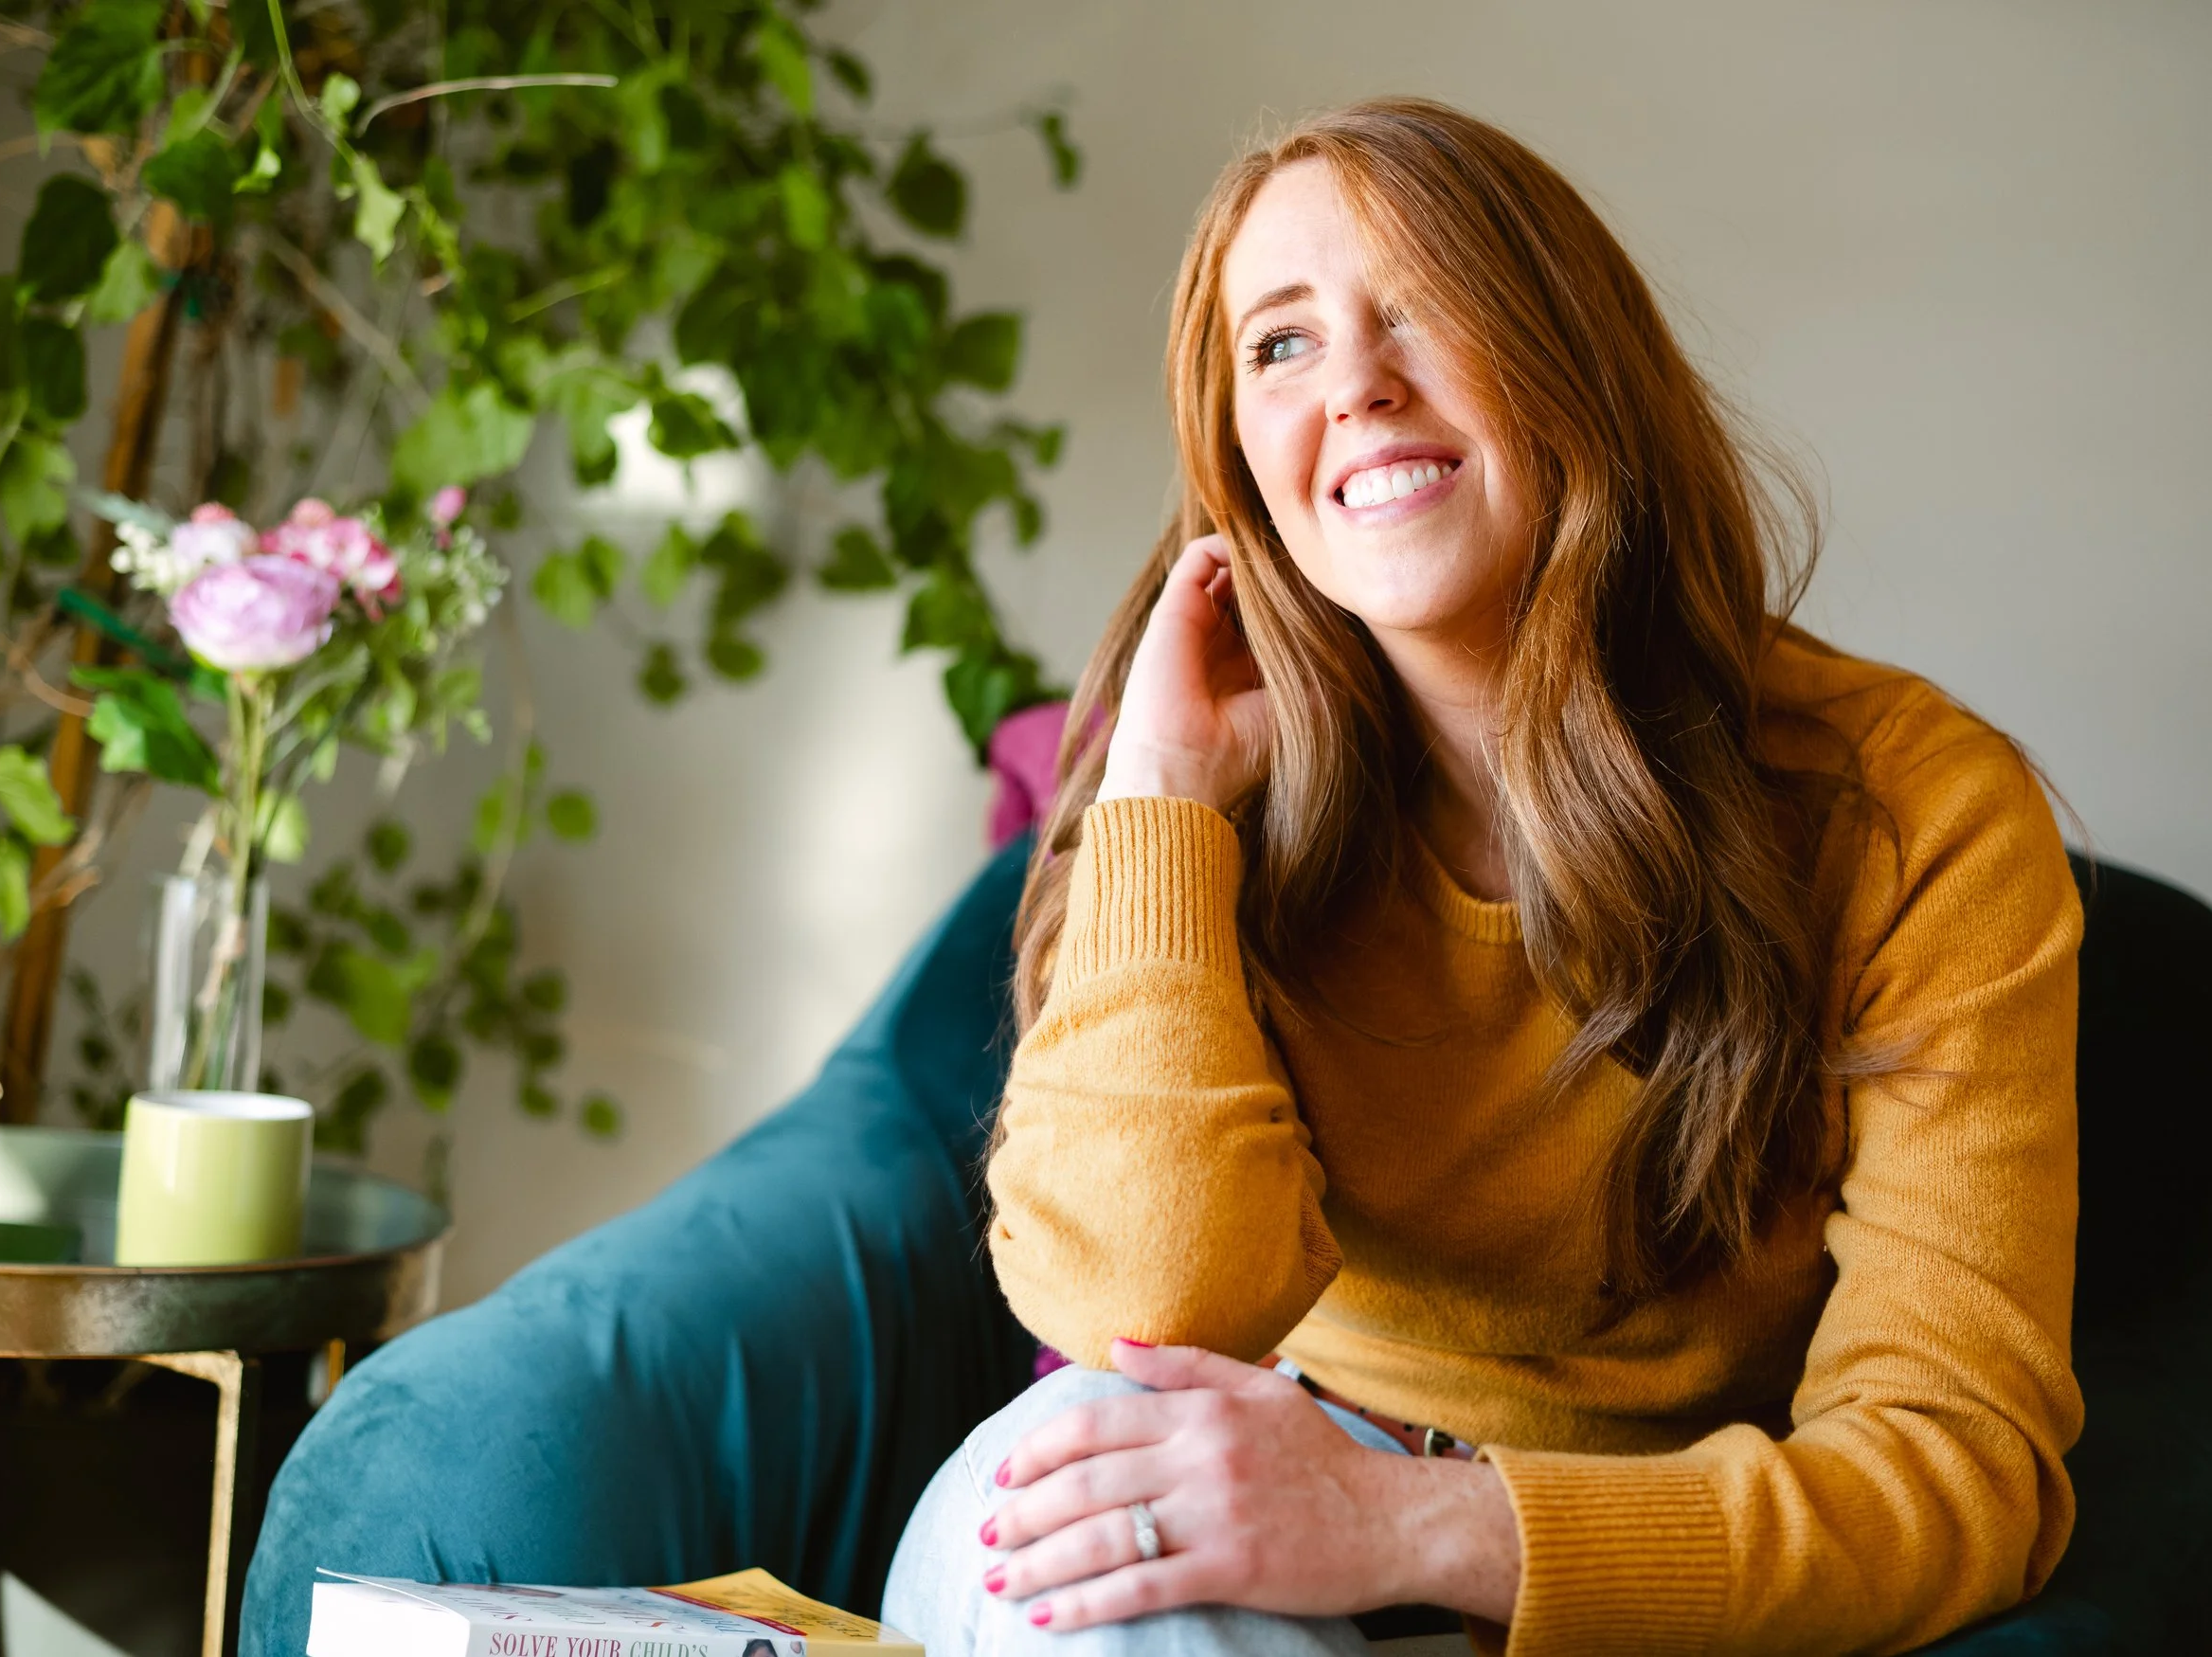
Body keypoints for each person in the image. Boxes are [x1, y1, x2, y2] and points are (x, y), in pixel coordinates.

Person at [882, 98, 2082, 1657]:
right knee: (1093, 1527)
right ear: (1240, 457)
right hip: (1199, 1538)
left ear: (1572, 353)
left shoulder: (1921, 815)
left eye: (1424, 304)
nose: (1361, 386)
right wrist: (1165, 803)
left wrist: (1404, 1524)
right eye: (1282, 345)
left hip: (1578, 1580)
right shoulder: (1194, 782)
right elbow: (1144, 1310)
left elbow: (1956, 1469)